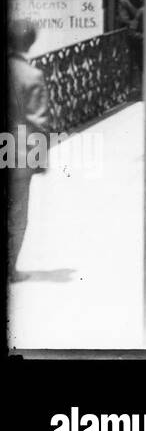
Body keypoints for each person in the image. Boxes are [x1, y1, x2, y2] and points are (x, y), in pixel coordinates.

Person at [9, 18, 50, 280]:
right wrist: (40, 159)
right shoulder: (32, 75)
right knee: (17, 211)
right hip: (16, 147)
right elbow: (38, 121)